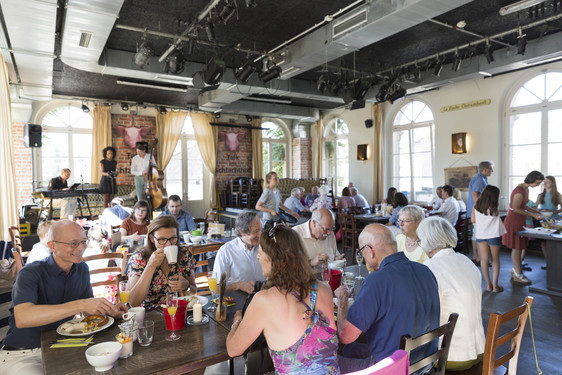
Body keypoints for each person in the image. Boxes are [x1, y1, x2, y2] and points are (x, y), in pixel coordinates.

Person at [0, 220, 126, 374]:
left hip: (62, 347)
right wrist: (80, 304)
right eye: (73, 243)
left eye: (83, 241)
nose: (81, 248)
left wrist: (109, 310)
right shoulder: (30, 273)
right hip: (23, 354)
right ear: (52, 246)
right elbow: (22, 318)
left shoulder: (81, 269)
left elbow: (88, 313)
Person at [226, 225, 339, 374]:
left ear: (276, 259)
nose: (258, 256)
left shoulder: (263, 301)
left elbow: (233, 349)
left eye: (261, 252)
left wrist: (237, 321)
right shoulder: (324, 289)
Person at [336, 224, 439, 373]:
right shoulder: (426, 270)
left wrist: (342, 301)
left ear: (369, 251)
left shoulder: (376, 281)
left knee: (331, 362)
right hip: (425, 362)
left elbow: (346, 335)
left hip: (394, 368)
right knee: (350, 350)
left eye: (361, 251)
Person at [417, 217, 485, 371]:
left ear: (428, 241)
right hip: (479, 349)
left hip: (451, 356)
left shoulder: (430, 266)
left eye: (420, 241)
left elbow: (423, 312)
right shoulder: (466, 260)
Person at [128, 215, 197, 309]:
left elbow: (193, 291)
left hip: (176, 311)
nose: (168, 244)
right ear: (152, 239)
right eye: (162, 239)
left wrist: (186, 286)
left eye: (173, 238)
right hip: (148, 315)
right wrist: (151, 266)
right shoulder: (139, 258)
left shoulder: (184, 255)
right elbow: (133, 302)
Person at [503, 171, 545, 285]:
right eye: (537, 182)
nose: (538, 185)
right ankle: (517, 273)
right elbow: (516, 208)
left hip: (520, 220)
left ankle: (515, 271)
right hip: (514, 221)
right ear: (531, 180)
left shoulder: (525, 189)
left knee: (519, 247)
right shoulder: (519, 191)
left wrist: (536, 211)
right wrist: (533, 215)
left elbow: (524, 206)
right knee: (516, 248)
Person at [212, 210, 266, 293]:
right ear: (242, 232)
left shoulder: (265, 247)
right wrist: (238, 285)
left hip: (264, 298)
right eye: (256, 231)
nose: (260, 235)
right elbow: (216, 289)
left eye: (260, 230)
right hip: (239, 301)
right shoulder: (226, 251)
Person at [472, 185, 506, 293]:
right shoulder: (494, 205)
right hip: (494, 235)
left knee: (484, 259)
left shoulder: (477, 204)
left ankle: (488, 285)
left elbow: (473, 220)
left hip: (481, 235)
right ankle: (496, 286)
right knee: (495, 260)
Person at [467, 161, 494, 264]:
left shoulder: (481, 178)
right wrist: (481, 209)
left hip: (476, 211)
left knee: (476, 234)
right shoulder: (479, 179)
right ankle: (479, 258)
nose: (492, 171)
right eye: (491, 168)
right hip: (478, 211)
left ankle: (475, 256)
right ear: (485, 169)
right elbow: (475, 194)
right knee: (479, 234)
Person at [536, 176, 562, 269]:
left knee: (555, 242)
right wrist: (541, 210)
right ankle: (548, 262)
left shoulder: (558, 195)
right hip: (543, 221)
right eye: (544, 182)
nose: (545, 183)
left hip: (554, 221)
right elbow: (535, 208)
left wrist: (552, 212)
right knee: (544, 243)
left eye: (548, 182)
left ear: (553, 183)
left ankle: (557, 262)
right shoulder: (540, 195)